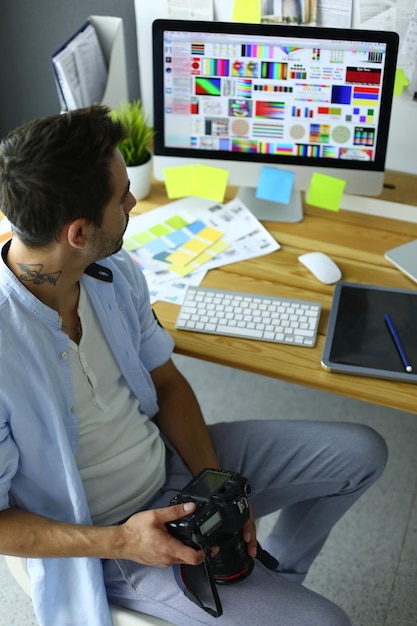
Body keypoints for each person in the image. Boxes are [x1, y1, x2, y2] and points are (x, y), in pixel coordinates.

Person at [0, 106, 387, 626]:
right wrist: (123, 541)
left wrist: (217, 486)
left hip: (171, 467)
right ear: (77, 232)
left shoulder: (112, 272)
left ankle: (275, 582)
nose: (134, 202)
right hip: (112, 535)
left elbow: (167, 382)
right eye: (122, 197)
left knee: (362, 451)